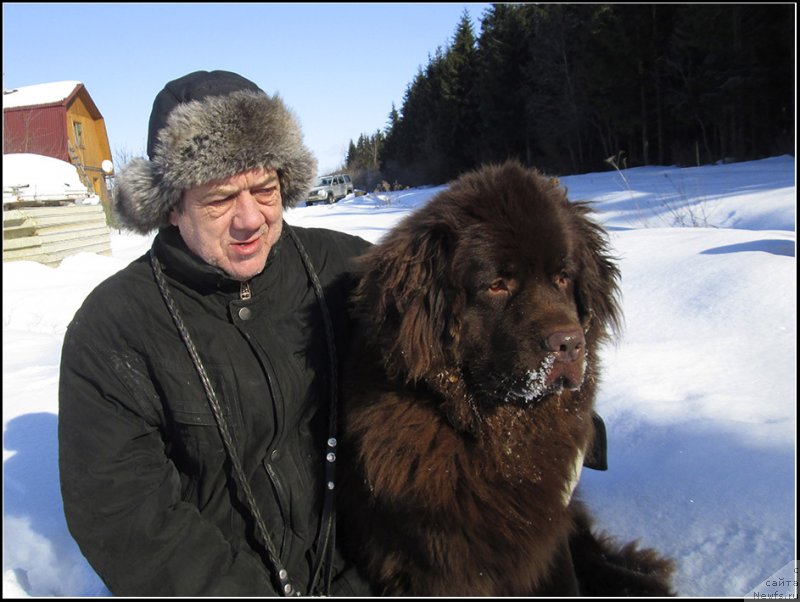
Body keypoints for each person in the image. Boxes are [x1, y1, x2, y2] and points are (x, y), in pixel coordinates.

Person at [58, 70, 373, 596]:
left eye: (265, 189)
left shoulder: (347, 269)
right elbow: (127, 518)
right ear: (172, 207)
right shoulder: (113, 332)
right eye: (220, 198)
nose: (251, 219)